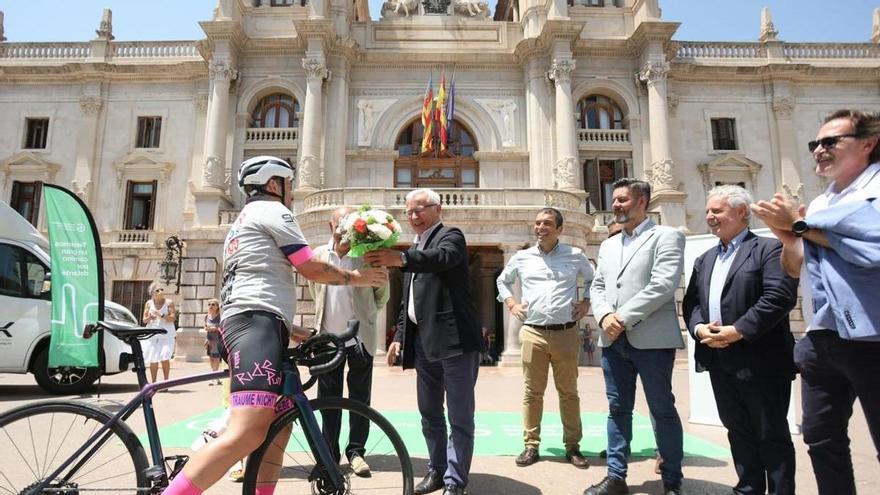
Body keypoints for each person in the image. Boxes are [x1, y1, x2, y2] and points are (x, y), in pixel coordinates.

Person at [162, 155, 388, 495]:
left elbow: (253, 283)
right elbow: (309, 267)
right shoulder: (274, 211)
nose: (293, 193)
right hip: (255, 326)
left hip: (258, 323)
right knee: (247, 431)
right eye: (290, 185)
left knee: (278, 427)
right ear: (273, 185)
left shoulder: (244, 220)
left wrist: (293, 330)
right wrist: (356, 277)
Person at [751, 109, 880, 495]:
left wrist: (801, 226)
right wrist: (791, 240)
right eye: (815, 144)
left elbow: (873, 248)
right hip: (822, 336)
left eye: (830, 142)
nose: (819, 151)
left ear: (868, 143)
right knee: (822, 440)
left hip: (873, 338)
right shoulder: (821, 203)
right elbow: (794, 269)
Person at [682, 185, 799, 495]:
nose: (709, 216)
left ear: (742, 212)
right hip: (719, 360)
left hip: (761, 361)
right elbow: (691, 303)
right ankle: (747, 488)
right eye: (708, 211)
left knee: (771, 435)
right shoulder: (705, 258)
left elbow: (779, 297)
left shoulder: (769, 249)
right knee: (739, 431)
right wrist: (699, 330)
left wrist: (738, 330)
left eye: (717, 211)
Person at [364, 188, 482, 495]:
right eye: (409, 212)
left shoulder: (450, 236)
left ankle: (455, 482)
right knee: (429, 413)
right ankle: (437, 470)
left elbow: (442, 259)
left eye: (420, 210)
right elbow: (409, 302)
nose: (414, 216)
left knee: (459, 416)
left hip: (455, 343)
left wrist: (401, 258)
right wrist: (399, 336)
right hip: (425, 345)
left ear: (437, 209)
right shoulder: (415, 247)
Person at [585, 178, 685, 495]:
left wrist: (621, 318)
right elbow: (597, 286)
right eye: (614, 199)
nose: (615, 205)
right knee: (617, 409)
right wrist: (603, 316)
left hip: (651, 340)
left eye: (622, 200)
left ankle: (672, 479)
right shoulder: (609, 244)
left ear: (641, 202)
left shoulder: (666, 236)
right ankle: (616, 476)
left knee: (662, 409)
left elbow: (663, 285)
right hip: (613, 340)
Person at [496, 207, 593, 470]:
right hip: (533, 333)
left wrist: (586, 303)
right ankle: (531, 445)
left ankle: (572, 446)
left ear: (559, 229)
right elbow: (502, 282)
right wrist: (512, 304)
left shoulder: (575, 255)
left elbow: (596, 280)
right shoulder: (522, 257)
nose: (540, 227)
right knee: (532, 392)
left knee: (569, 393)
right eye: (538, 223)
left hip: (566, 333)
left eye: (547, 223)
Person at [307, 206, 390, 478]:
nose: (345, 227)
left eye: (350, 221)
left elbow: (382, 295)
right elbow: (315, 291)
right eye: (340, 222)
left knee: (359, 399)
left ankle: (356, 452)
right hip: (327, 341)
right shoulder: (318, 255)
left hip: (359, 340)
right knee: (328, 400)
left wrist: (365, 317)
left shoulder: (367, 257)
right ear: (331, 227)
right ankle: (328, 456)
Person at [142, 283, 176, 383]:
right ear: (153, 293)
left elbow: (173, 318)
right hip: (153, 334)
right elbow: (144, 320)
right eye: (157, 290)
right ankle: (154, 382)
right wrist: (150, 318)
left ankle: (166, 382)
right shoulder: (149, 303)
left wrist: (160, 314)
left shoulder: (169, 302)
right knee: (153, 358)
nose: (160, 291)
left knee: (164, 356)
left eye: (161, 289)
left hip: (166, 334)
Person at [204, 298, 222, 385]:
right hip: (209, 340)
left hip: (217, 340)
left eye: (213, 304)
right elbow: (205, 327)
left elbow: (222, 327)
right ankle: (216, 376)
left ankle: (213, 376)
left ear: (217, 307)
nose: (211, 306)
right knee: (211, 358)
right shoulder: (207, 316)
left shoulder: (220, 317)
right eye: (209, 304)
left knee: (216, 358)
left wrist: (215, 328)